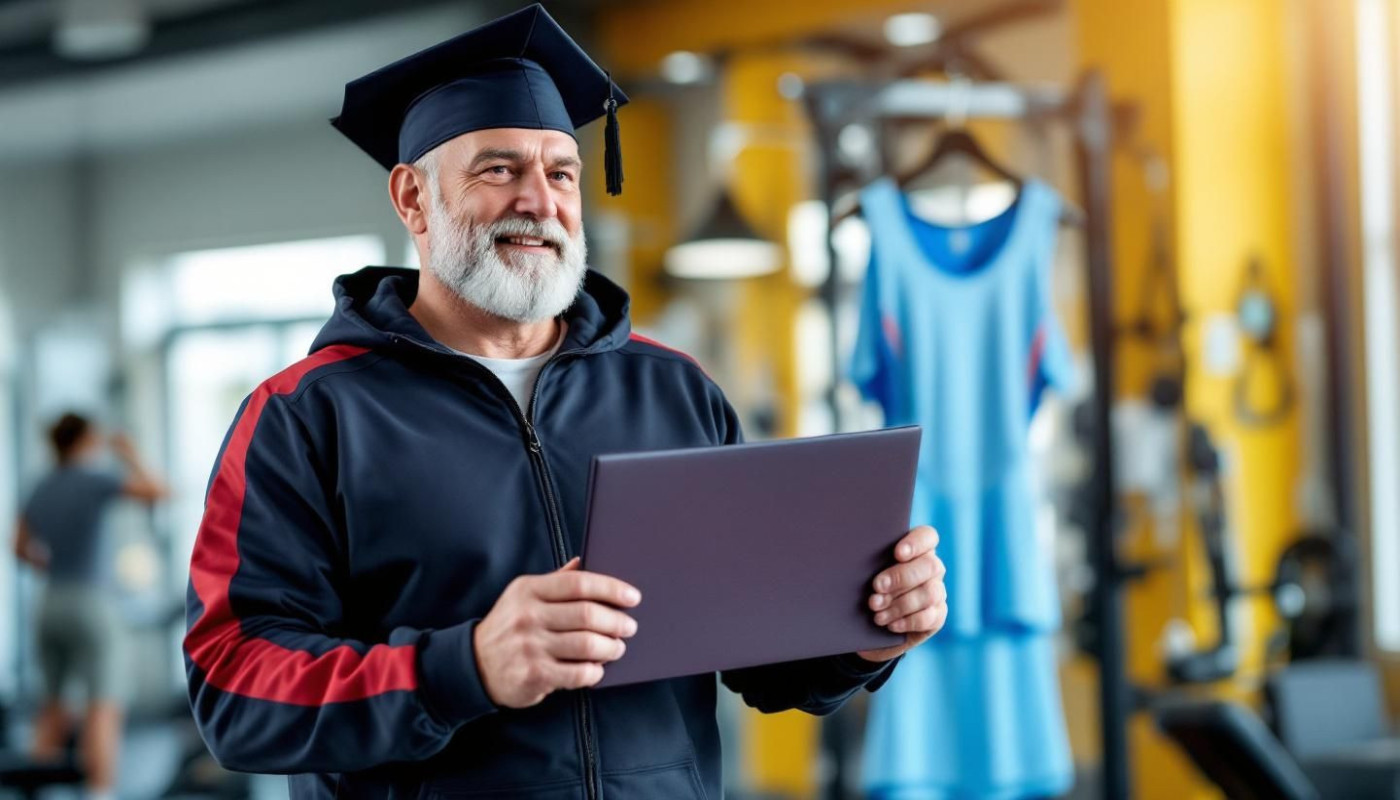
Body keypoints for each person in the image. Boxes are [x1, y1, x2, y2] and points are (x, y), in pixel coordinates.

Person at [182, 5, 948, 798]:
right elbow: (234, 690)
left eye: (562, 172)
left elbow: (761, 657)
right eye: (499, 169)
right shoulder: (306, 417)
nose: (540, 201)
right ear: (412, 198)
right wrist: (463, 667)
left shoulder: (675, 391)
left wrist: (867, 633)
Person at [13, 412, 168, 800]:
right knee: (104, 706)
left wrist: (51, 565)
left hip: (50, 600)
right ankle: (100, 794)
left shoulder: (41, 486)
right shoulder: (93, 478)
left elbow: (18, 546)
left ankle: (33, 791)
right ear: (84, 441)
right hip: (92, 603)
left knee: (53, 707)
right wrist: (131, 454)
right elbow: (157, 491)